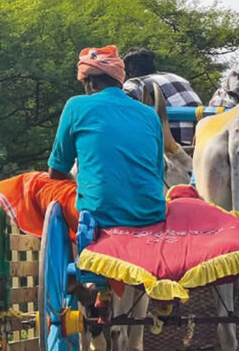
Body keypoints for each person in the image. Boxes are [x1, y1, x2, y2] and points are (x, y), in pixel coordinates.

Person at [47, 45, 166, 229]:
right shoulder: (150, 115)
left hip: (99, 215)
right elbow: (157, 174)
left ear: (91, 82)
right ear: (120, 81)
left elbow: (56, 173)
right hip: (151, 214)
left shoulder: (76, 105)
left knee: (37, 187)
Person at [122, 48, 202, 146]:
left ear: (128, 72)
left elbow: (118, 107)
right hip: (200, 135)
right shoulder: (176, 77)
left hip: (175, 140)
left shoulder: (135, 83)